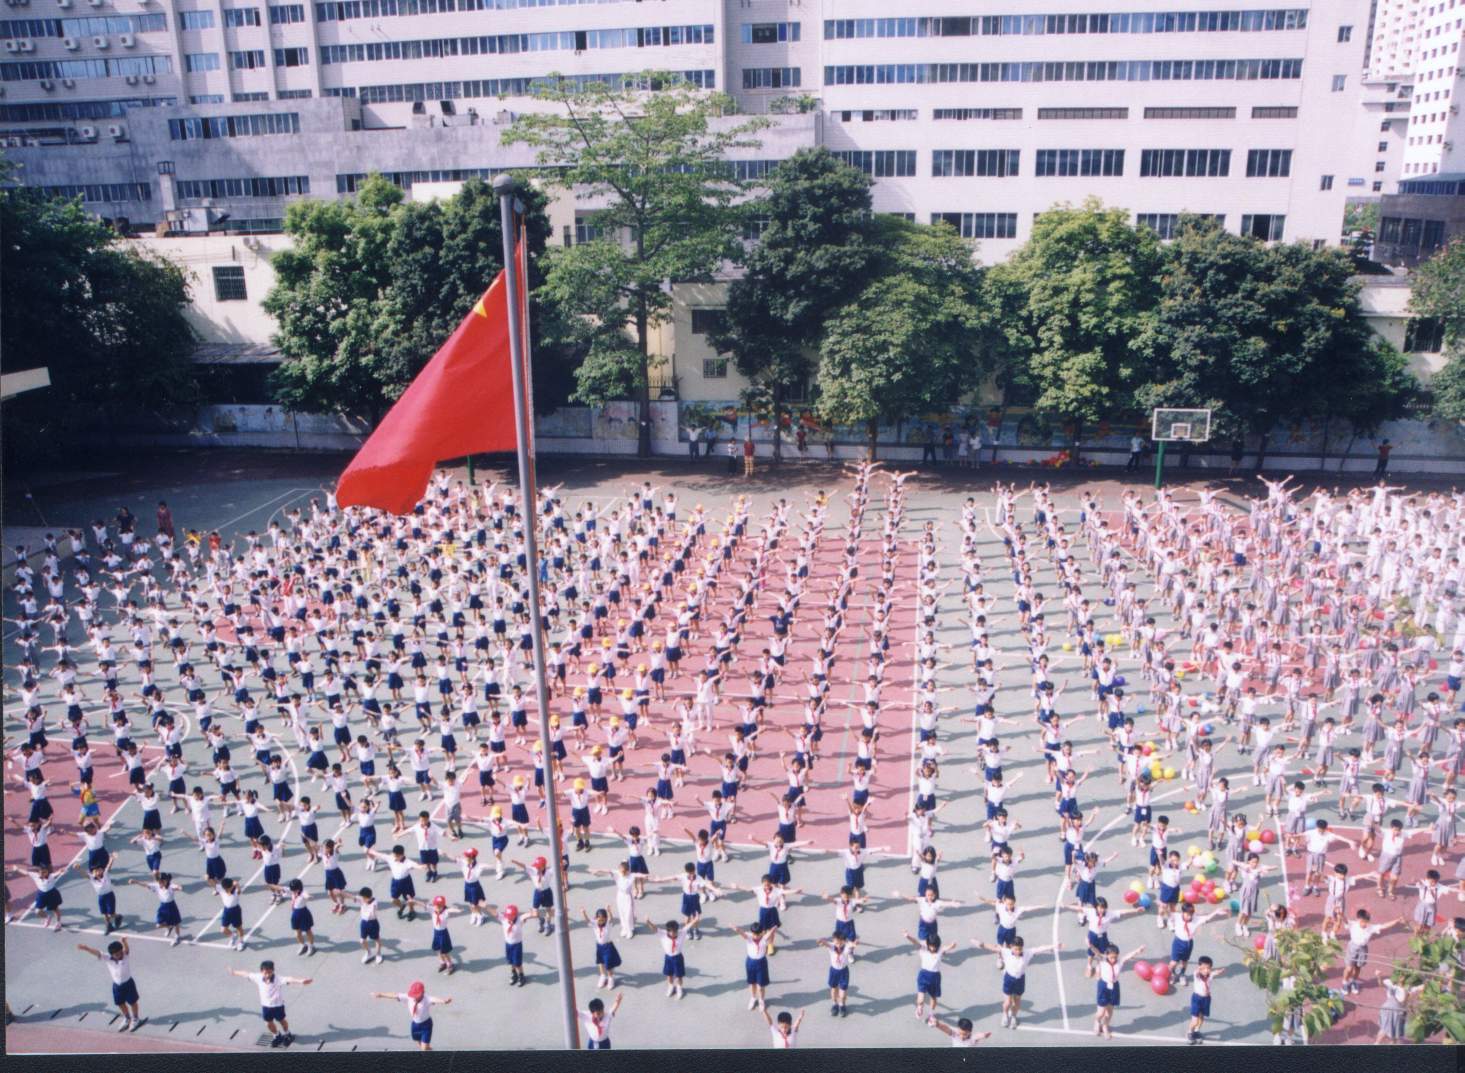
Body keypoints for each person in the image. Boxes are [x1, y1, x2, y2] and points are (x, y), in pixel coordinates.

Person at [229, 961, 312, 1048]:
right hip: (266, 1006)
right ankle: (277, 1035)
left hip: (278, 1006)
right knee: (268, 1023)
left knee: (282, 1021)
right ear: (261, 971)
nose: (268, 974)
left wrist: (301, 981)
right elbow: (246, 974)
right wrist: (234, 972)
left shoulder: (278, 979)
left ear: (273, 971)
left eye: (270, 972)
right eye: (265, 972)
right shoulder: (258, 977)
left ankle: (288, 1034)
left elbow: (289, 979)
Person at [77, 940, 143, 1031]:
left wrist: (124, 942)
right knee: (120, 1003)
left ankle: (135, 1018)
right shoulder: (107, 958)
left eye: (120, 952)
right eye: (116, 954)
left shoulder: (125, 956)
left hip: (128, 984)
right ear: (111, 954)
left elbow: (127, 949)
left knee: (133, 1002)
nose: (119, 955)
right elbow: (97, 953)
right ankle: (127, 1018)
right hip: (117, 985)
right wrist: (86, 948)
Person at [371, 982, 450, 1051]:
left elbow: (435, 999)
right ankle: (427, 1048)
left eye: (417, 995)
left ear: (422, 993)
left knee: (424, 1048)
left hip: (426, 1025)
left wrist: (444, 1001)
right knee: (417, 1040)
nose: (414, 997)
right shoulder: (409, 997)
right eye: (414, 995)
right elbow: (395, 995)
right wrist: (381, 994)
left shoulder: (427, 999)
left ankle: (427, 1050)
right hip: (415, 1024)